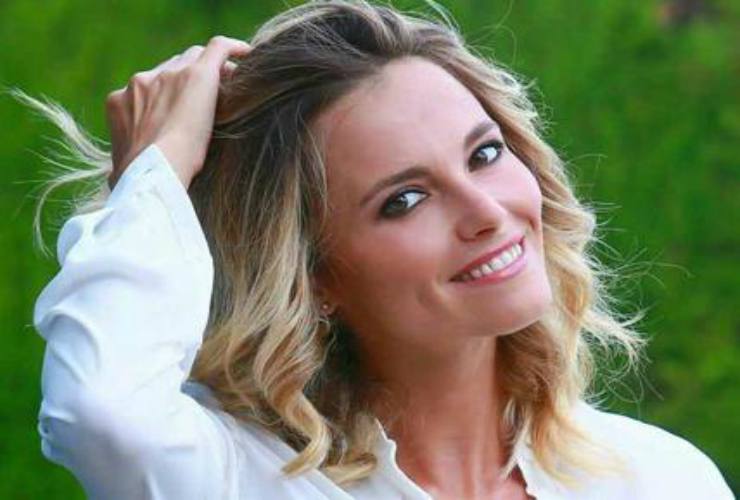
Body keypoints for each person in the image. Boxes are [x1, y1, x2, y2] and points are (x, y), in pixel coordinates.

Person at [16, 0, 733, 498]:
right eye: (405, 200)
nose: (488, 213)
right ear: (314, 276)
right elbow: (103, 416)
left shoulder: (657, 479)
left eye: (484, 154)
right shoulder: (239, 480)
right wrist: (158, 168)